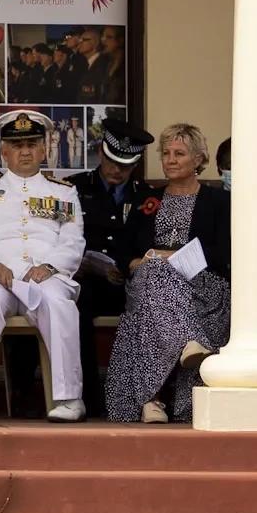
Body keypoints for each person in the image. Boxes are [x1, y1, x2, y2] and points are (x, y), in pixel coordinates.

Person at [0, 109, 87, 423]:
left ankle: (70, 399)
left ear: (44, 149)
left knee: (58, 303)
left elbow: (73, 241)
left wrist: (49, 266)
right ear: (4, 151)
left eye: (32, 144)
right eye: (17, 145)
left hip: (44, 276)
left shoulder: (63, 192)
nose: (25, 151)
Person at [106, 123, 231, 423]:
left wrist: (171, 257)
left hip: (202, 286)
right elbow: (123, 249)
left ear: (198, 159)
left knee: (152, 297)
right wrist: (136, 263)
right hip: (147, 279)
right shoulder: (145, 199)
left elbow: (224, 252)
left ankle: (152, 400)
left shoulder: (219, 201)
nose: (170, 160)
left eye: (179, 153)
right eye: (166, 153)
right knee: (155, 275)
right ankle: (189, 341)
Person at [66, 117, 152, 418]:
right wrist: (75, 263)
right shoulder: (73, 188)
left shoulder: (145, 196)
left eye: (125, 166)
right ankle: (86, 397)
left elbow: (147, 243)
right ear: (101, 152)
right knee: (75, 306)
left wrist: (127, 267)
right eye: (113, 162)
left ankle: (140, 398)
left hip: (126, 282)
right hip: (85, 279)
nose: (117, 170)